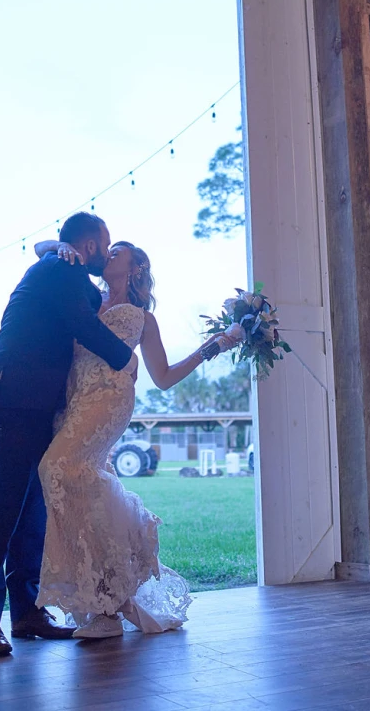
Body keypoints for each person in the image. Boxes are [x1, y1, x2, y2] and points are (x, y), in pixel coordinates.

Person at [34, 238, 242, 638]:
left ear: (135, 269)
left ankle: (108, 604)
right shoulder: (85, 296)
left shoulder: (143, 318)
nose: (107, 255)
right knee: (83, 483)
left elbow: (163, 378)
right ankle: (107, 602)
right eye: (107, 251)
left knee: (55, 468)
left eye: (117, 253)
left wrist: (214, 346)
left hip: (109, 402)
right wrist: (57, 244)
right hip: (73, 400)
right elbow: (40, 250)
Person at [0, 212, 137, 657]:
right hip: (7, 404)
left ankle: (26, 614)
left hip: (37, 412)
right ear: (92, 245)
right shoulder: (60, 269)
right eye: (107, 241)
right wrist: (127, 361)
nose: (109, 248)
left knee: (30, 521)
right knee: (0, 513)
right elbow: (85, 326)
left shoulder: (62, 267)